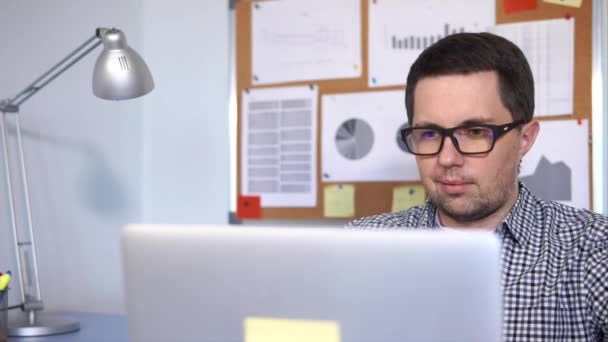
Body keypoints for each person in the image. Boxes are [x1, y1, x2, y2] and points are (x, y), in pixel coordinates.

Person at [347, 32, 608, 341]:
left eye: (474, 131)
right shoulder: (363, 246)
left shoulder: (589, 249)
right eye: (429, 133)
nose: (446, 158)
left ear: (525, 138)